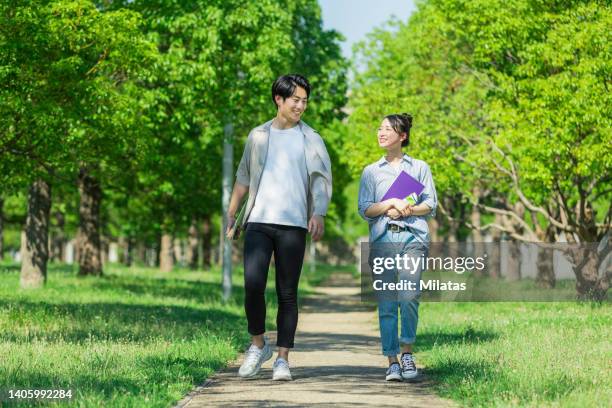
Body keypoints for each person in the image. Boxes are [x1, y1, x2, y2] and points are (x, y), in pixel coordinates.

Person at [226, 74, 332, 381]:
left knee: (287, 293)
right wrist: (232, 214)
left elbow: (321, 180)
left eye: (304, 101)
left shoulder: (310, 138)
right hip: (259, 220)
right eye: (295, 100)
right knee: (253, 285)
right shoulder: (258, 135)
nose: (300, 106)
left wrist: (319, 213)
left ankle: (283, 359)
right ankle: (258, 345)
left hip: (294, 224)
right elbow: (243, 177)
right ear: (279, 99)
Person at [358, 113, 437, 381]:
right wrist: (391, 201)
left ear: (402, 136)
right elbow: (365, 209)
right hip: (382, 242)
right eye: (379, 128)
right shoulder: (371, 172)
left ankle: (407, 353)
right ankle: (391, 360)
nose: (381, 133)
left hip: (413, 238)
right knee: (388, 302)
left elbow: (431, 204)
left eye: (387, 129)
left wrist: (408, 209)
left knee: (409, 295)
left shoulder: (419, 167)